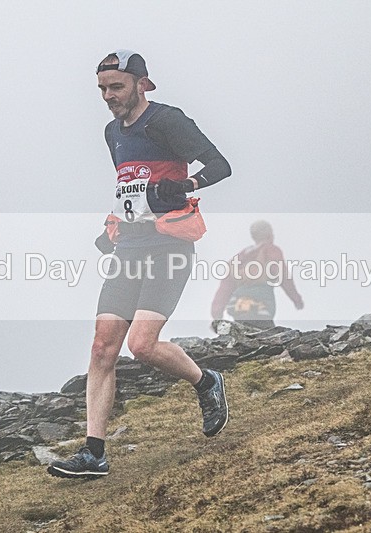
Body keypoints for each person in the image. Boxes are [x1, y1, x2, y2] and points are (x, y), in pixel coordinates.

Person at [47, 50, 232, 478]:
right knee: (101, 347)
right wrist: (114, 223)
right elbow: (129, 187)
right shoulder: (112, 132)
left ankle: (206, 383)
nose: (109, 96)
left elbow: (220, 166)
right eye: (102, 89)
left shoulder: (166, 121)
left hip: (168, 246)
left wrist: (186, 184)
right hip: (128, 247)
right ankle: (94, 454)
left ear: (141, 83)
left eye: (116, 87)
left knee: (142, 345)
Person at [211, 220, 304, 330]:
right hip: (260, 304)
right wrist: (296, 299)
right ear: (269, 234)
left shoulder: (239, 257)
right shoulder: (270, 250)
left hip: (237, 305)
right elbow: (283, 275)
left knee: (243, 333)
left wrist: (217, 312)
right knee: (266, 336)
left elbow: (225, 288)